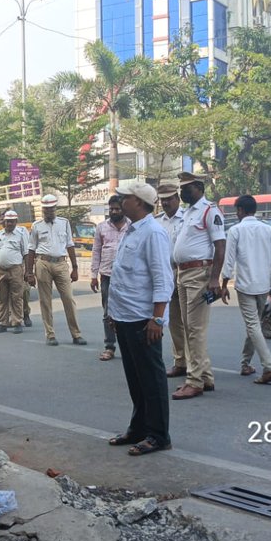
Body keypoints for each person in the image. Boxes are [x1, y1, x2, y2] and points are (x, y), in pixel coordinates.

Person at [105, 182, 174, 456]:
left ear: (140, 202)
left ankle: (158, 435)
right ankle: (138, 428)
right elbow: (124, 276)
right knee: (135, 378)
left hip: (143, 319)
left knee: (152, 379)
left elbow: (162, 279)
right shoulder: (131, 230)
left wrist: (157, 319)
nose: (121, 200)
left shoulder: (153, 233)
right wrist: (114, 313)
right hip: (125, 317)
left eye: (127, 197)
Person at [169, 171, 225, 399]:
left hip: (199, 274)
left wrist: (214, 278)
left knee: (195, 329)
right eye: (181, 188)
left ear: (200, 189)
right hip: (183, 274)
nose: (183, 192)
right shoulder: (188, 213)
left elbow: (220, 246)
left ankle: (194, 381)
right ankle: (205, 377)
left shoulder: (209, 211)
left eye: (187, 188)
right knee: (189, 326)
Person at [220, 195, 271, 384]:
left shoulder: (235, 230)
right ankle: (245, 363)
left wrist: (224, 285)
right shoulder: (268, 230)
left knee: (253, 325)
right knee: (254, 323)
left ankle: (269, 367)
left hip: (245, 285)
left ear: (240, 210)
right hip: (263, 285)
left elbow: (229, 260)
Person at [26, 194, 86, 347]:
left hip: (61, 263)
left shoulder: (64, 223)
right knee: (45, 301)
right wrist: (29, 272)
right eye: (45, 210)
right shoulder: (36, 225)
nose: (48, 212)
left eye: (51, 209)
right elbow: (31, 249)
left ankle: (76, 334)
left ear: (55, 209)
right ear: (42, 210)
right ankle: (50, 334)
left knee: (68, 299)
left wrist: (75, 268)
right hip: (43, 262)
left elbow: (70, 245)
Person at [155, 181, 189, 379]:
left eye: (169, 199)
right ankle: (180, 361)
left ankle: (194, 362)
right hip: (165, 273)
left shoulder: (187, 218)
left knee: (190, 322)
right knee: (175, 320)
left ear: (177, 198)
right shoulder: (157, 221)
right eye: (163, 200)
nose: (166, 203)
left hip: (184, 271)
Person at [90, 195, 129, 361]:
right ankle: (109, 347)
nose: (114, 211)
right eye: (111, 209)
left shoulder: (132, 226)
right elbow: (96, 251)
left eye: (117, 209)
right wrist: (93, 275)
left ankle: (128, 347)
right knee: (108, 313)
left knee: (128, 313)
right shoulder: (101, 227)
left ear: (123, 209)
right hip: (107, 276)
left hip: (128, 277)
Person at [0, 210, 29, 334]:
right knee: (2, 297)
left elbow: (26, 253)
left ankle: (17, 322)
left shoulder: (21, 234)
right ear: (4, 222)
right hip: (0, 270)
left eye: (12, 221)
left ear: (16, 222)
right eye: (7, 221)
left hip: (15, 269)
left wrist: (28, 271)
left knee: (16, 297)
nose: (9, 224)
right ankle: (3, 323)